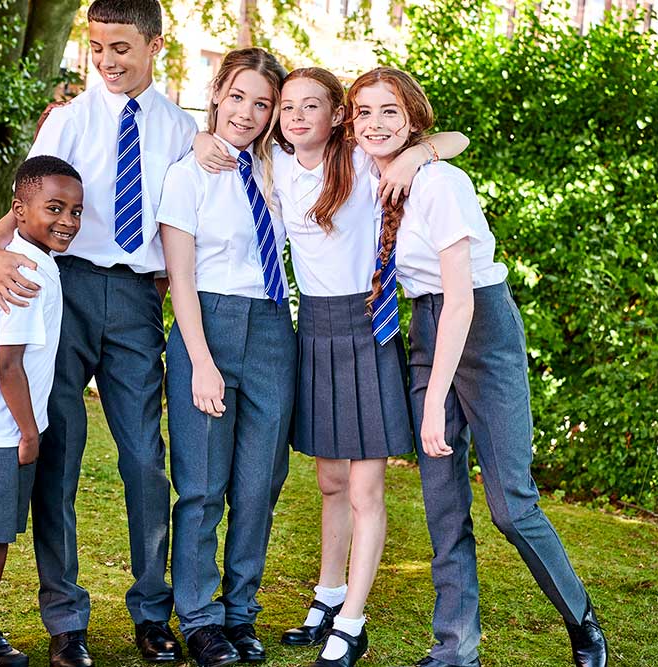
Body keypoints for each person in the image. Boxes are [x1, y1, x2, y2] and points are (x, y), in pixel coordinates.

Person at [194, 67, 469, 667]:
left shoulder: (364, 159)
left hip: (366, 325)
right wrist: (199, 138)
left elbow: (456, 141)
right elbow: (213, 141)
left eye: (311, 105)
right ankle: (328, 595)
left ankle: (352, 623)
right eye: (287, 106)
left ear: (336, 114)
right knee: (330, 481)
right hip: (311, 329)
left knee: (367, 487)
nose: (295, 115)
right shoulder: (274, 165)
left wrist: (415, 154)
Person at [349, 66, 609, 667]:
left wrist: (436, 397)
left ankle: (582, 620)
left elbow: (462, 300)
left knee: (511, 505)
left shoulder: (443, 185)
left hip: (480, 329)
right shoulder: (370, 167)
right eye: (364, 112)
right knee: (442, 504)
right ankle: (455, 649)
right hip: (424, 325)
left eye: (390, 111)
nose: (375, 123)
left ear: (413, 118)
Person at [0, 1, 198, 664]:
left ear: (155, 46)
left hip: (136, 298)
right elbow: (23, 204)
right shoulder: (68, 120)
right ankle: (65, 617)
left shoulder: (182, 129)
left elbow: (186, 224)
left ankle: (151, 609)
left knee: (143, 460)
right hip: (65, 292)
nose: (107, 60)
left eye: (122, 48)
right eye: (98, 47)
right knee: (60, 455)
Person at [157, 47, 293, 667]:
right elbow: (179, 279)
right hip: (204, 323)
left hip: (271, 329)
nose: (247, 112)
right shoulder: (186, 173)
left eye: (261, 103)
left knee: (261, 484)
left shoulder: (279, 171)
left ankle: (241, 612)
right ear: (216, 94)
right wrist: (201, 360)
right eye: (237, 96)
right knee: (203, 486)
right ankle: (202, 618)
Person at [0, 156, 84, 667]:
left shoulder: (26, 253)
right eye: (54, 208)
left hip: (15, 429)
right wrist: (30, 431)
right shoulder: (23, 271)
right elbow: (9, 366)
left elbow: (14, 216)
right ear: (22, 211)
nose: (68, 221)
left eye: (75, 210)